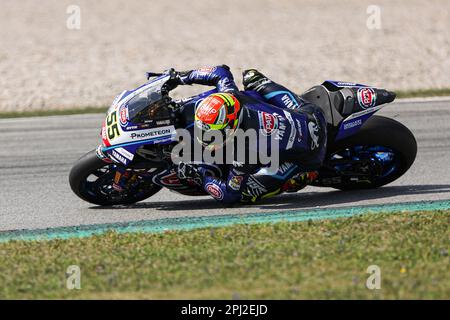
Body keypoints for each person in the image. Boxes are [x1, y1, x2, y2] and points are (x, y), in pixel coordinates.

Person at [170, 65, 327, 205]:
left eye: (212, 133)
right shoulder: (232, 96)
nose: (206, 136)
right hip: (310, 113)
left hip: (310, 155)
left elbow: (230, 195)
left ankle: (300, 177)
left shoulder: (244, 153)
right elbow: (220, 71)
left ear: (230, 128)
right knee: (252, 76)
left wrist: (201, 177)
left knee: (246, 193)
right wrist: (181, 77)